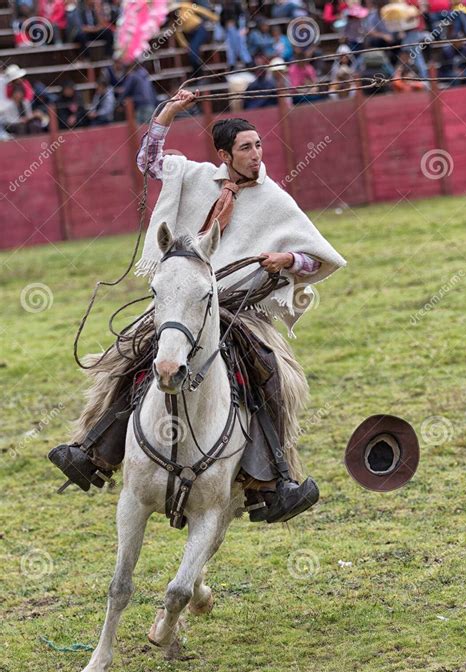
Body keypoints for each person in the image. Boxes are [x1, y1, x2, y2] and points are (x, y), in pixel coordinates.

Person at [49, 89, 347, 525]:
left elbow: (318, 257)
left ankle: (274, 482)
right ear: (225, 154)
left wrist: (288, 259)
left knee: (270, 372)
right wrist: (169, 112)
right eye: (246, 148)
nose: (256, 154)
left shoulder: (274, 198)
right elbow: (149, 163)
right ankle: (92, 451)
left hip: (242, 309)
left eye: (259, 145)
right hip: (184, 299)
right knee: (130, 354)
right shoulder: (193, 176)